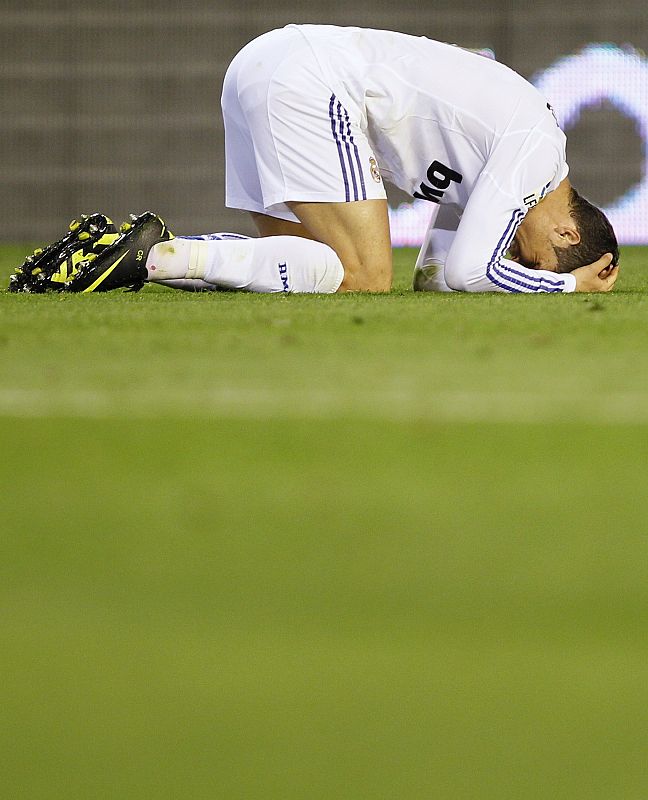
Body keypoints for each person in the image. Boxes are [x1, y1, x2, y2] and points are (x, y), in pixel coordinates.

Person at [9, 24, 619, 296]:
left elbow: (439, 275)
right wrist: (563, 286)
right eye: (531, 257)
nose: (515, 257)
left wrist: (531, 274)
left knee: (308, 273)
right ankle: (149, 254)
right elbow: (469, 272)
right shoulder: (539, 150)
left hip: (266, 66)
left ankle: (126, 253)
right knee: (363, 278)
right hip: (310, 80)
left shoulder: (505, 171)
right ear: (566, 229)